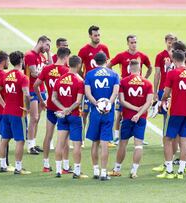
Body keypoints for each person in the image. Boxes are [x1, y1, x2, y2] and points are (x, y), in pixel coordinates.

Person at [156, 50, 186, 179]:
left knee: (168, 139)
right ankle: (180, 171)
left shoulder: (172, 73)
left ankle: (169, 171)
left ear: (174, 60)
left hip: (175, 111)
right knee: (184, 140)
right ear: (184, 59)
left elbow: (166, 92)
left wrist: (163, 99)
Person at [108, 59, 153, 178]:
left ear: (129, 69)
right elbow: (149, 102)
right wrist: (139, 112)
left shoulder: (124, 82)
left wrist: (134, 109)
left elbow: (122, 101)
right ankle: (134, 171)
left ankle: (117, 169)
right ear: (140, 69)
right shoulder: (147, 83)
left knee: (122, 144)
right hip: (141, 118)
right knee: (138, 145)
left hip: (127, 117)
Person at [107, 34, 152, 145]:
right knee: (120, 113)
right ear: (127, 43)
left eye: (135, 42)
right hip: (125, 87)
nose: (134, 44)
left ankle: (139, 136)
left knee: (141, 111)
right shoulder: (122, 55)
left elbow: (150, 67)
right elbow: (109, 65)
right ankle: (117, 136)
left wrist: (144, 78)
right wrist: (117, 78)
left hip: (138, 87)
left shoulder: (142, 56)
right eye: (131, 42)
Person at [0, 51, 31, 174]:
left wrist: (4, 105)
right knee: (20, 140)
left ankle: (3, 165)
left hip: (6, 112)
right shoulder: (23, 77)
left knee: (4, 139)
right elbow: (27, 94)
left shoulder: (6, 75)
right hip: (18, 113)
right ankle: (18, 168)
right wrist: (28, 108)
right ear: (21, 60)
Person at [33, 47, 70, 172]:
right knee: (64, 138)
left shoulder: (47, 69)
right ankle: (65, 166)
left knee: (48, 135)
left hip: (50, 106)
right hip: (62, 108)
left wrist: (41, 100)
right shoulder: (66, 71)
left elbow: (35, 85)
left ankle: (46, 164)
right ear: (66, 57)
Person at [52, 55, 88, 179]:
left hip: (62, 116)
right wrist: (69, 109)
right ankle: (77, 172)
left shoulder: (59, 80)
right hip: (74, 115)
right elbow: (78, 101)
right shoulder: (79, 81)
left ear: (68, 64)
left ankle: (58, 170)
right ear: (79, 65)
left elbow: (53, 98)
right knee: (77, 145)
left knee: (60, 143)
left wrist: (62, 109)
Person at [85, 52, 119, 181]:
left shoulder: (89, 74)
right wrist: (108, 104)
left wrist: (97, 104)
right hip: (108, 113)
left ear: (94, 61)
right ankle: (104, 173)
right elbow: (115, 92)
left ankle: (95, 170)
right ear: (106, 60)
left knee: (95, 142)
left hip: (95, 112)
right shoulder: (114, 74)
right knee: (104, 143)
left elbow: (88, 94)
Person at [78, 25, 110, 143]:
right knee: (85, 112)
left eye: (98, 35)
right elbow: (78, 67)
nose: (97, 37)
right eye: (95, 35)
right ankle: (80, 139)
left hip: (102, 87)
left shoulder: (104, 48)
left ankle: (103, 137)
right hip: (89, 87)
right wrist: (85, 78)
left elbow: (108, 65)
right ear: (90, 36)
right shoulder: (84, 50)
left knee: (104, 109)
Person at [24, 35, 52, 154]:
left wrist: (49, 52)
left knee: (37, 118)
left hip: (41, 90)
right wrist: (44, 72)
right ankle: (30, 145)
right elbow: (34, 73)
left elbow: (51, 66)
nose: (47, 48)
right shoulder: (30, 55)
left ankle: (33, 143)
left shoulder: (41, 56)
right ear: (40, 42)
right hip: (31, 90)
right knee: (34, 118)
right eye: (47, 45)